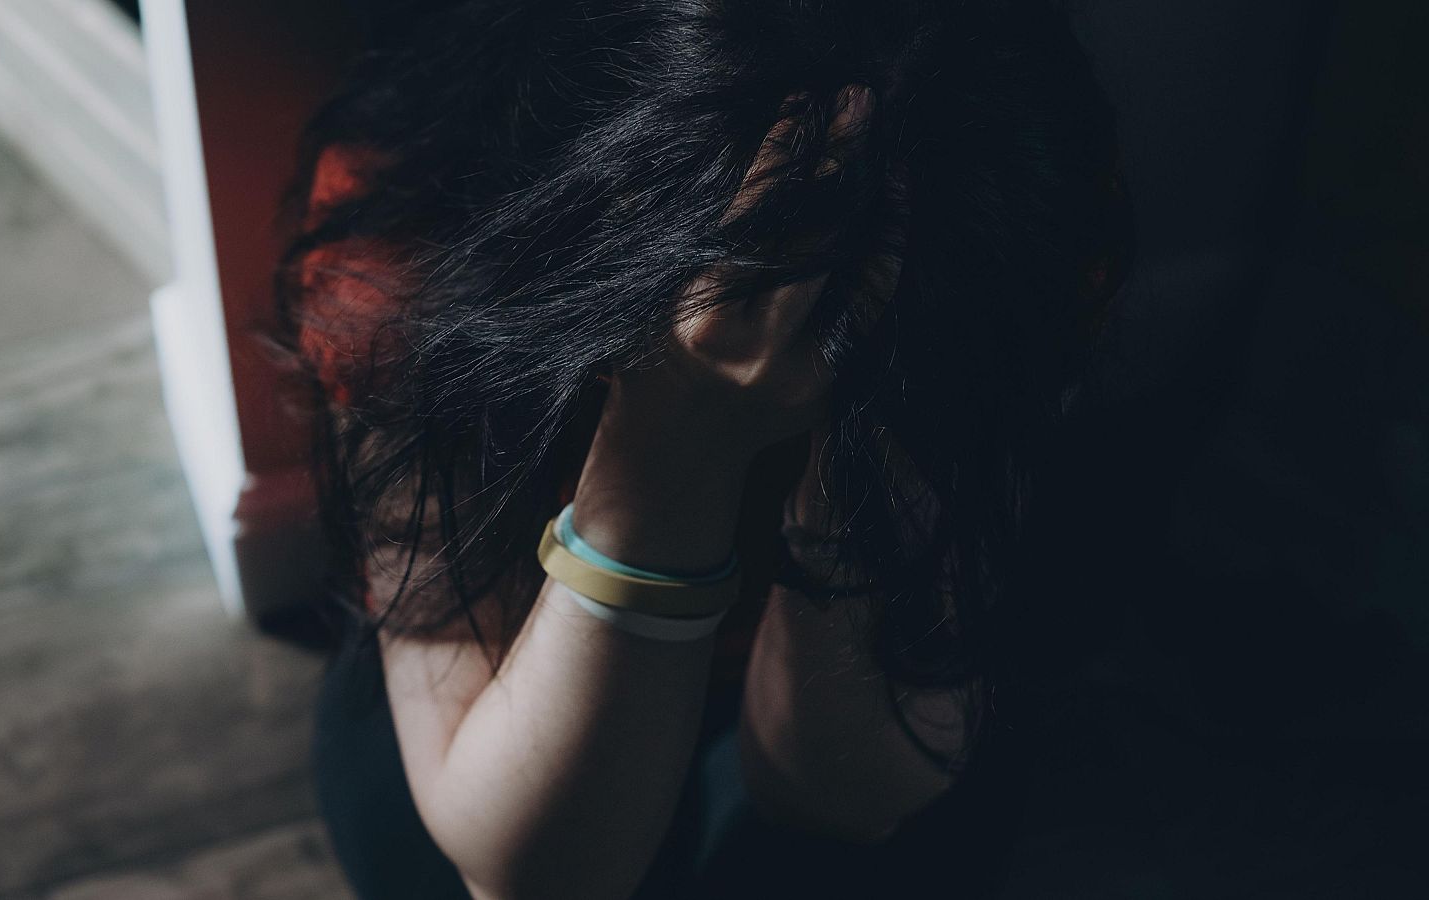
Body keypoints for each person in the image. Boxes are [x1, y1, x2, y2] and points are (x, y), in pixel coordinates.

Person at [282, 1, 1130, 897]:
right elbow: (535, 877)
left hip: (840, 677)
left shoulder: (1014, 198)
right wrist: (671, 431)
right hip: (501, 675)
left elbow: (841, 798)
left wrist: (881, 402)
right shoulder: (414, 249)